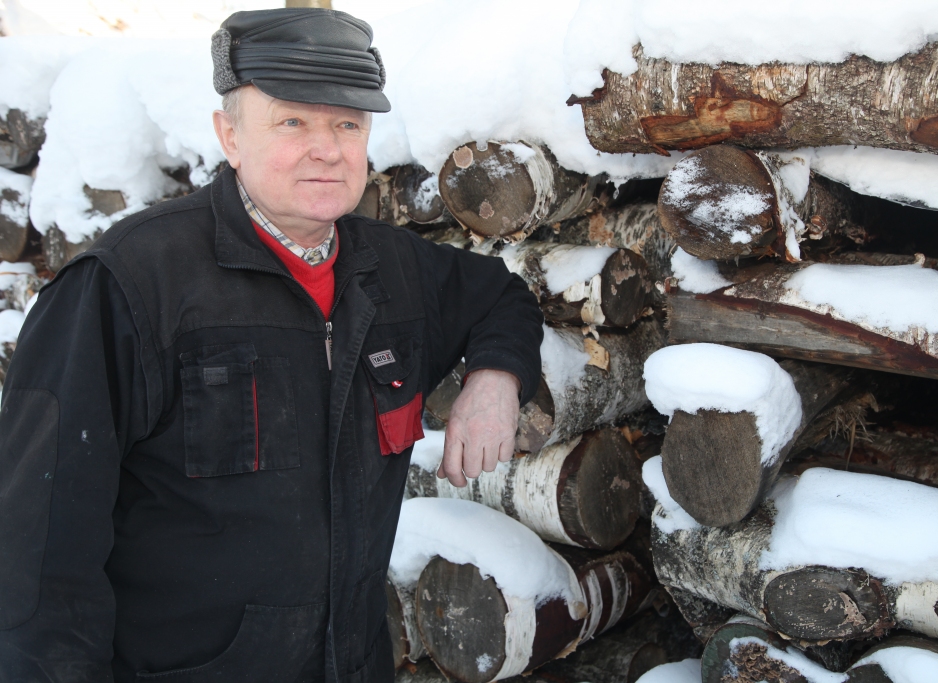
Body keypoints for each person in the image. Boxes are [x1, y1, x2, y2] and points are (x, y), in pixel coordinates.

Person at [0, 8, 543, 683]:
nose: (328, 148)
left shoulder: (395, 272)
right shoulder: (127, 287)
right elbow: (36, 559)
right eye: (293, 121)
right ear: (229, 135)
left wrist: (496, 376)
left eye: (347, 123)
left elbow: (501, 297)